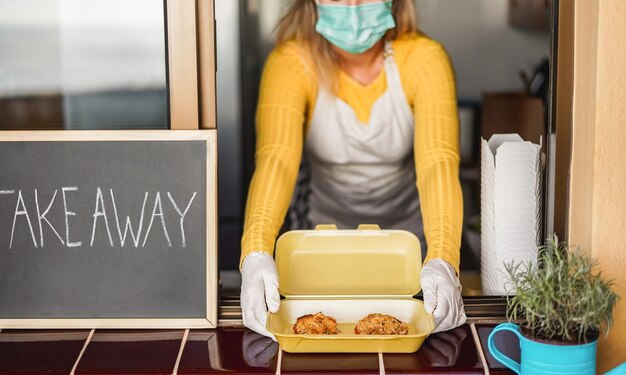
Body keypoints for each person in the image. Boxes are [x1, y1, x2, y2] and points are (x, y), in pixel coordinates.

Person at [240, 0, 466, 340]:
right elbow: (276, 160)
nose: (351, 3)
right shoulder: (291, 63)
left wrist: (443, 259)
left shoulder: (424, 59)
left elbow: (438, 164)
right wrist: (255, 251)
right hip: (319, 249)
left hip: (411, 255)